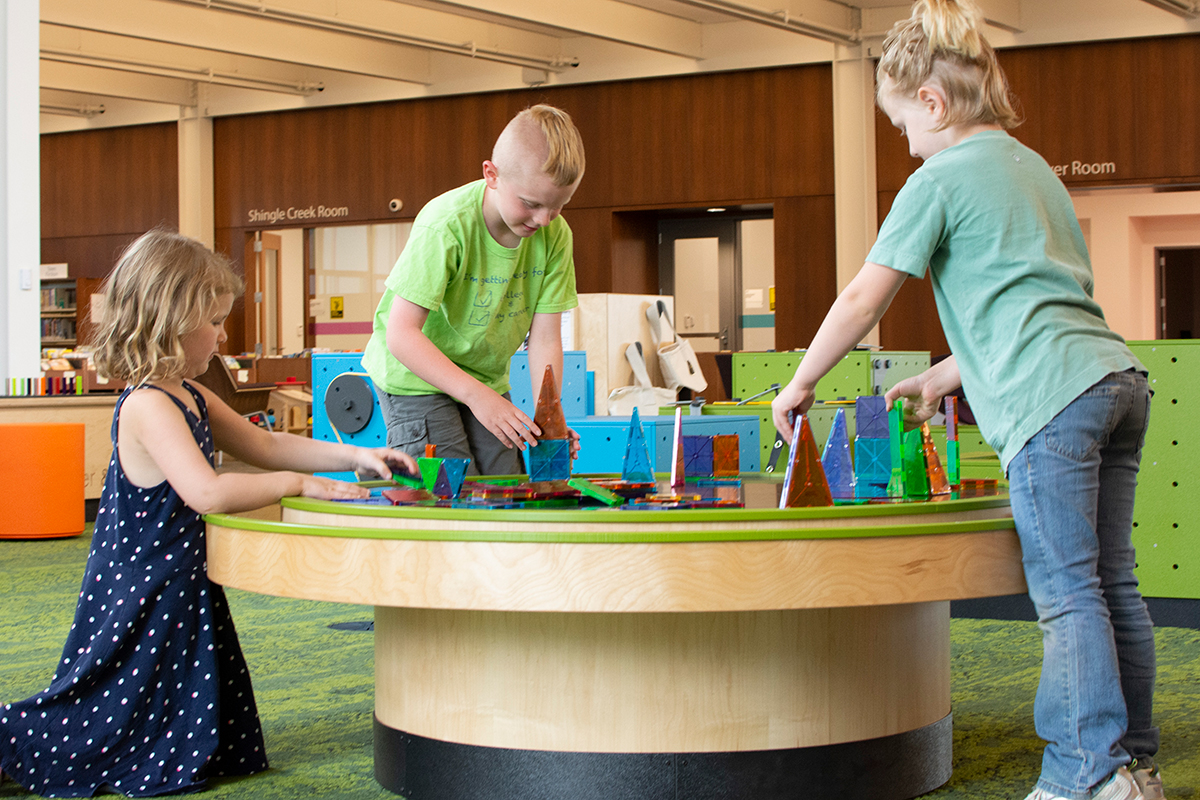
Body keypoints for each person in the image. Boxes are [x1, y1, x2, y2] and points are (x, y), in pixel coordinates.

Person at [770, 2, 1161, 799]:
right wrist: (943, 377)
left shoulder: (937, 178)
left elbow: (861, 300)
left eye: (902, 126)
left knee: (1068, 595)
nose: (905, 144)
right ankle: (1134, 764)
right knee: (1113, 585)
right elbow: (1035, 305)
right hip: (1113, 379)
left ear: (933, 105)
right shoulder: (1031, 167)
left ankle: (1086, 775)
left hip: (1051, 403)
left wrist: (802, 380)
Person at [0, 230, 417, 797]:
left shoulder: (190, 392)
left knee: (159, 678)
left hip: (178, 574)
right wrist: (302, 485)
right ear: (171, 320)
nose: (224, 335)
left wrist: (355, 456)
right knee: (109, 688)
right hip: (143, 578)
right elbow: (208, 493)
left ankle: (169, 747)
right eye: (215, 321)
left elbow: (263, 445)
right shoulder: (148, 402)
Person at [362, 104, 584, 475]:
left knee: (507, 484)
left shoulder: (555, 236)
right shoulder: (445, 224)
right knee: (451, 484)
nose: (543, 220)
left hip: (484, 380)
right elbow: (400, 335)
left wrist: (550, 415)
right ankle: (392, 468)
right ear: (491, 174)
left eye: (559, 206)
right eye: (530, 204)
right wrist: (478, 397)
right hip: (415, 379)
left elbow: (544, 339)